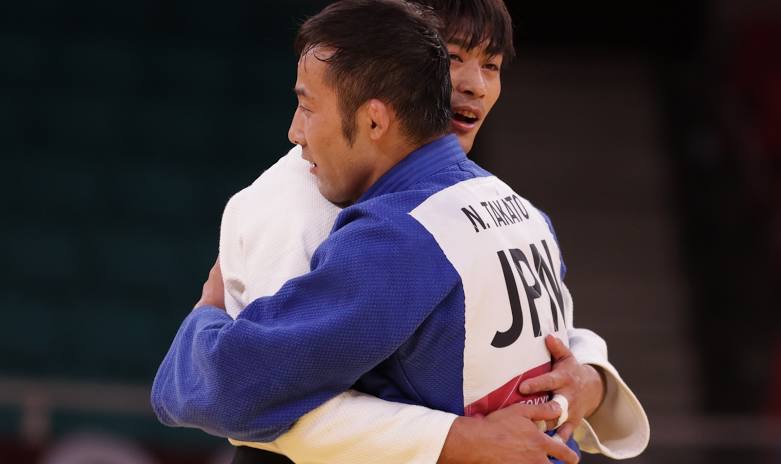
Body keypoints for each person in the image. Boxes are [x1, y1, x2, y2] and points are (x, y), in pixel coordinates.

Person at [152, 1, 648, 463]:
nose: (473, 85)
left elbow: (242, 390)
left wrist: (589, 378)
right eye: (450, 58)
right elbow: (278, 403)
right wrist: (460, 437)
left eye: (491, 64)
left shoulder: (414, 224)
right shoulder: (296, 201)